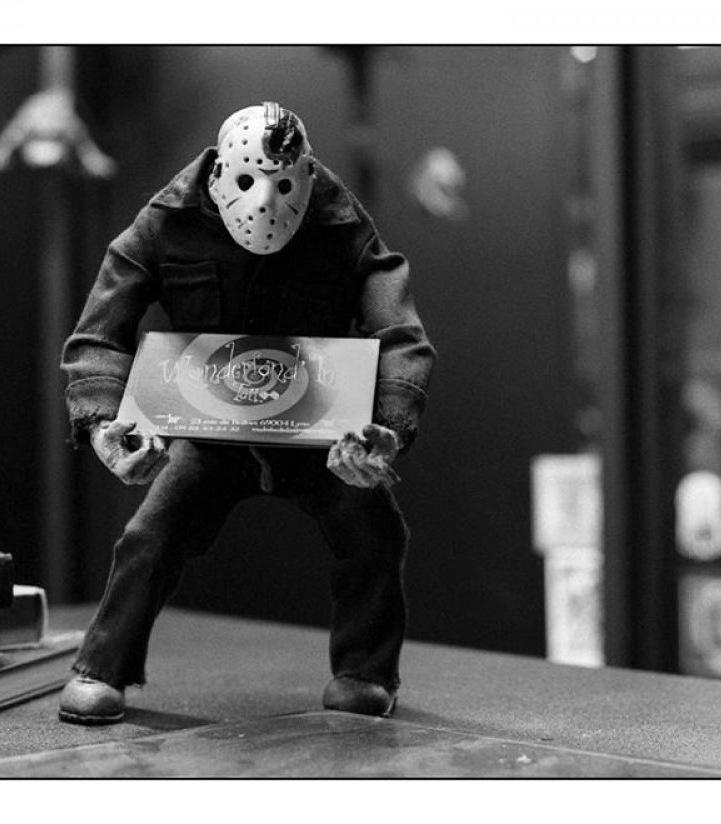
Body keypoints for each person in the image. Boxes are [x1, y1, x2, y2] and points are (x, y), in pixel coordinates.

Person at [57, 101, 436, 724]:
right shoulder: (164, 222)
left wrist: (387, 429)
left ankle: (365, 670)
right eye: (245, 182)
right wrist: (103, 423)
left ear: (306, 178)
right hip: (212, 433)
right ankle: (101, 667)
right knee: (149, 538)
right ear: (216, 176)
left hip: (319, 432)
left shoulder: (343, 225)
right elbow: (98, 333)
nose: (264, 203)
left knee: (374, 528)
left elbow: (402, 333)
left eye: (284, 187)